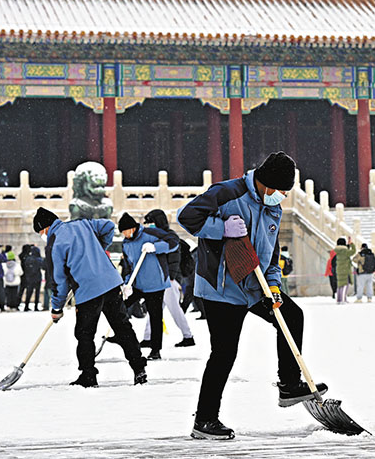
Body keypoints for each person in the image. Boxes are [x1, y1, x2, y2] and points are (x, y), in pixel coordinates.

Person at [177, 151, 327, 440]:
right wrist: (222, 229)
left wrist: (273, 286)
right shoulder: (227, 192)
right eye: (281, 190)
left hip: (255, 285)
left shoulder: (273, 209)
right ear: (267, 183)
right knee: (224, 354)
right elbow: (188, 217)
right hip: (221, 288)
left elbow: (270, 256)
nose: (282, 196)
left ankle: (289, 383)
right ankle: (205, 420)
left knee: (292, 315)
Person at [34, 207, 147, 388]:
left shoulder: (54, 243)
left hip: (88, 291)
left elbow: (59, 281)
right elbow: (109, 226)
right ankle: (139, 368)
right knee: (123, 327)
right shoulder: (82, 224)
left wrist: (56, 308)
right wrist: (99, 249)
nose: (42, 236)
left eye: (40, 232)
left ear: (45, 228)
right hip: (110, 283)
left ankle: (88, 375)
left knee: (85, 334)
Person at [118, 212, 176, 359]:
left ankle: (155, 350)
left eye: (125, 231)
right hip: (137, 284)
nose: (124, 235)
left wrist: (156, 247)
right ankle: (120, 335)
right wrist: (127, 284)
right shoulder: (126, 244)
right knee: (119, 307)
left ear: (132, 228)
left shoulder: (151, 233)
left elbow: (174, 242)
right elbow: (129, 266)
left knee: (155, 317)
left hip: (156, 283)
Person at [142, 209, 195, 347]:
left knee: (175, 310)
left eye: (151, 222)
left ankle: (188, 336)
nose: (149, 226)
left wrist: (171, 277)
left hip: (169, 280)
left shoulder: (170, 236)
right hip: (161, 279)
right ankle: (148, 337)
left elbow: (174, 259)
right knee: (154, 309)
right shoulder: (158, 236)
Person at [21, 245, 44, 312]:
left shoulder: (28, 259)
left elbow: (26, 268)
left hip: (30, 278)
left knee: (29, 293)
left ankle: (26, 306)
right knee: (37, 293)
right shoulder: (39, 259)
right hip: (37, 278)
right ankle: (36, 306)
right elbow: (43, 266)